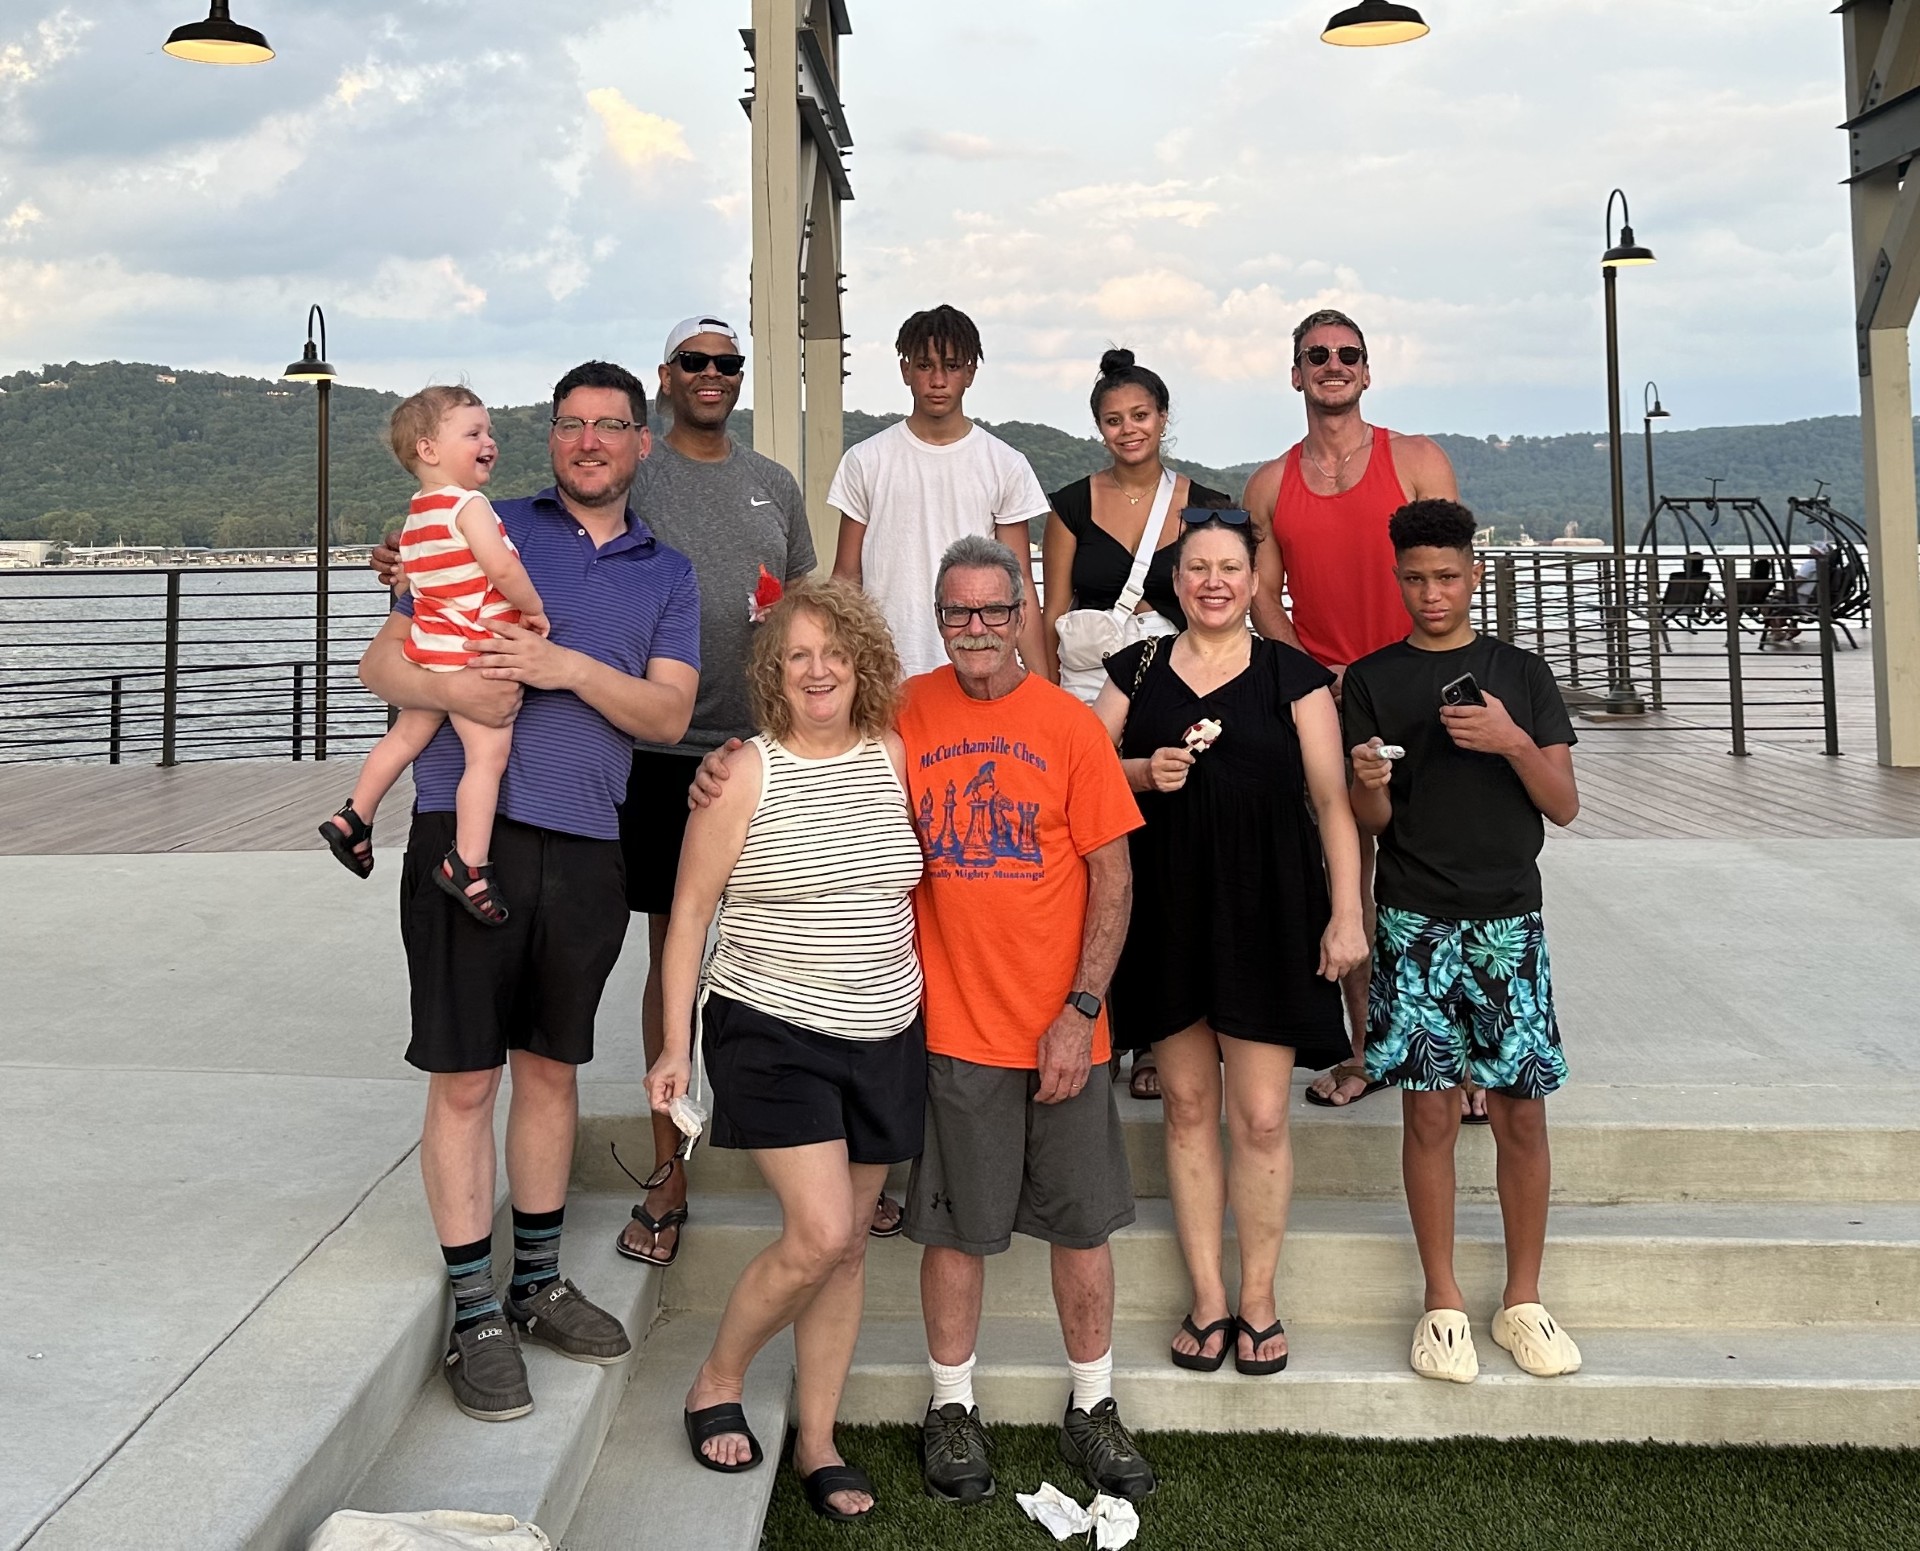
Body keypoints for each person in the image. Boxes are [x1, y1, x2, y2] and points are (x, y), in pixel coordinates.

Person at [694, 536, 1157, 1505]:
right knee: (954, 1233)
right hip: (946, 1028)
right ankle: (952, 1408)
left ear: (1023, 614)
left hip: (1063, 1026)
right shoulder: (902, 713)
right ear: (937, 620)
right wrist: (722, 763)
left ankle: (1094, 1403)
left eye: (994, 610)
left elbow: (1114, 879)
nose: (976, 628)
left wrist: (1080, 1009)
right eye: (957, 612)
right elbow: (809, 735)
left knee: (1081, 1229)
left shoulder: (1070, 727)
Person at [358, 361, 701, 1423]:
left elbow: (667, 716)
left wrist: (564, 668)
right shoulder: (477, 520)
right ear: (549, 438)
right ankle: (475, 1309)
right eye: (570, 424)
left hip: (590, 843)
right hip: (468, 836)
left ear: (641, 443)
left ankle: (537, 1282)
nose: (589, 441)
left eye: (610, 425)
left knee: (552, 1071)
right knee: (466, 1079)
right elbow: (381, 665)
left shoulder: (668, 572)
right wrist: (455, 684)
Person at [645, 581, 922, 1523]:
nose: (818, 670)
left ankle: (818, 1439)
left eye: (834, 652)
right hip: (770, 1024)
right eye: (798, 654)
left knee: (846, 1251)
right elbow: (688, 915)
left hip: (885, 1025)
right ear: (774, 669)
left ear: (863, 662)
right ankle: (717, 1378)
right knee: (820, 1232)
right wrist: (674, 1045)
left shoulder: (894, 753)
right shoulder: (742, 774)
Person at [1093, 511, 1366, 1376]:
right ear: (1176, 582)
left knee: (1261, 1113)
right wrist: (1143, 772)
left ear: (1256, 582)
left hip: (1269, 908)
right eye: (1198, 568)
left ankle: (1259, 1298)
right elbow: (1081, 774)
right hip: (1168, 909)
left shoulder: (1292, 673)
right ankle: (1208, 1297)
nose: (1213, 582)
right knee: (1185, 1107)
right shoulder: (1137, 668)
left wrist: (1347, 913)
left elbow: (1333, 801)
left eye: (1230, 568)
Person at [1343, 498, 1582, 1385]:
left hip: (1509, 919)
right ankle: (1441, 1299)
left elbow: (1563, 803)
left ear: (1474, 574)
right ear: (1396, 578)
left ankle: (1523, 1297)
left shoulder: (1521, 673)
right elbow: (1373, 819)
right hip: (1413, 918)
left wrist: (1511, 739)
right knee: (1430, 1112)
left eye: (1446, 576)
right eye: (1415, 579)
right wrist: (1369, 780)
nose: (1431, 593)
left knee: (1521, 1110)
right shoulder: (1372, 679)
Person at [610, 315, 829, 1269]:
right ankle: (668, 1170)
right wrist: (417, 552)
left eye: (727, 362)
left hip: (764, 751)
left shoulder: (774, 483)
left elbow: (807, 606)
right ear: (665, 376)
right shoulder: (634, 470)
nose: (713, 374)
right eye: (694, 361)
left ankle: (818, 1173)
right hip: (661, 752)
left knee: (793, 951)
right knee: (675, 962)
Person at [1241, 308, 1471, 1117]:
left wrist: (1415, 671)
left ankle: (1461, 1056)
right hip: (1328, 698)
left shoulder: (1415, 459)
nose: (1332, 364)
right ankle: (1369, 1047)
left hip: (1420, 688)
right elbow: (1261, 596)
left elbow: (1451, 571)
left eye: (1348, 354)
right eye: (1317, 355)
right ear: (1296, 373)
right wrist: (1314, 673)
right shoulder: (1270, 484)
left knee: (1442, 872)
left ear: (1367, 371)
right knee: (1350, 877)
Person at [1041, 347, 1234, 1101]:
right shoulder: (1069, 505)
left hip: (1176, 691)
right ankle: (1106, 1021)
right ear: (1098, 427)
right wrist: (1049, 707)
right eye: (1114, 419)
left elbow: (1227, 601)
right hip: (1089, 697)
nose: (1129, 429)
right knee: (1094, 854)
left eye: (1141, 415)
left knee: (1168, 857)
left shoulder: (1206, 502)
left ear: (1162, 418)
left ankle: (1161, 1030)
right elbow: (1050, 613)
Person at [320, 386, 549, 926]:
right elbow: (502, 568)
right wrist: (534, 609)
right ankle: (468, 862)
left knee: (404, 736)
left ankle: (356, 813)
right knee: (486, 757)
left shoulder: (417, 515)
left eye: (488, 432)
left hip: (429, 650)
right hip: (470, 653)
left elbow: (414, 580)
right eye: (473, 433)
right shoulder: (470, 506)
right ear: (428, 450)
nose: (489, 442)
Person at [829, 304, 1050, 678]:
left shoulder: (1005, 463)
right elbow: (847, 577)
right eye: (924, 365)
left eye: (951, 366)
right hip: (883, 668)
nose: (938, 380)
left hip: (978, 664)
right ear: (905, 370)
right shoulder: (865, 460)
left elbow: (1021, 582)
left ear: (970, 372)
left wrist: (1042, 684)